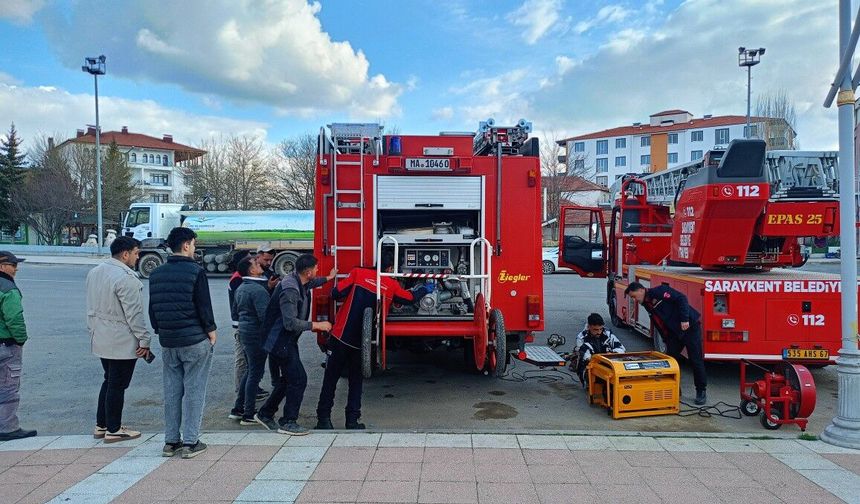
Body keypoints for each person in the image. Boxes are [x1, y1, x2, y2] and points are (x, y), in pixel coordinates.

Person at [315, 255, 432, 430]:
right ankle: (352, 421)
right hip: (363, 344)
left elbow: (335, 294)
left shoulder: (357, 273)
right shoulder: (391, 285)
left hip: (340, 337)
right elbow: (410, 298)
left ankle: (324, 420)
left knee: (330, 380)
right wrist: (425, 288)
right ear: (391, 269)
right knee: (356, 382)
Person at [148, 227, 217, 458]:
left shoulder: (156, 274)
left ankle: (171, 441)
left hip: (168, 341)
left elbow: (153, 310)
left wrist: (161, 331)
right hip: (194, 340)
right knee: (194, 391)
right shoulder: (195, 272)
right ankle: (191, 442)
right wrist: (211, 331)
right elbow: (203, 306)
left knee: (172, 392)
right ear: (186, 245)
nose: (195, 249)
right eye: (194, 245)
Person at [257, 254, 335, 435]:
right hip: (279, 341)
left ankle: (265, 413)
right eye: (316, 269)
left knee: (288, 378)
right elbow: (290, 323)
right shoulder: (290, 290)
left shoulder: (298, 280)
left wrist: (328, 278)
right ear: (308, 272)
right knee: (299, 379)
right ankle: (288, 422)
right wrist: (317, 325)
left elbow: (312, 283)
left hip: (286, 340)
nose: (317, 271)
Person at [86, 236, 152, 443]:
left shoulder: (95, 272)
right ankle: (114, 429)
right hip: (121, 338)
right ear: (125, 254)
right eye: (136, 253)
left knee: (109, 380)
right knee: (118, 384)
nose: (137, 257)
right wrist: (144, 340)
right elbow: (134, 314)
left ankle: (102, 424)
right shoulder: (126, 278)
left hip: (100, 335)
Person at [625, 281, 707, 405]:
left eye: (634, 296)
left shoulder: (659, 291)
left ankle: (701, 391)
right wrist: (665, 338)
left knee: (695, 359)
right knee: (670, 360)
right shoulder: (646, 303)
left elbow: (681, 298)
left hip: (689, 327)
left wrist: (684, 319)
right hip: (674, 332)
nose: (634, 299)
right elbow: (658, 322)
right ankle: (673, 388)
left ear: (641, 290)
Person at [231, 256, 272, 426]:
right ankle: (248, 413)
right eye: (256, 264)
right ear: (251, 271)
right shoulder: (257, 290)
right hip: (256, 335)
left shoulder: (241, 287)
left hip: (245, 333)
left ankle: (238, 408)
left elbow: (236, 311)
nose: (260, 264)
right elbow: (265, 318)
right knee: (255, 373)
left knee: (250, 371)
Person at [0, 251, 36, 441]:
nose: (16, 269)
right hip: (6, 345)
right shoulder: (8, 289)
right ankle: (8, 427)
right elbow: (14, 318)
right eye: (13, 265)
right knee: (8, 387)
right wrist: (20, 339)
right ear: (2, 267)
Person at [572, 313, 625, 386]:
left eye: (601, 329)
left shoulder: (608, 333)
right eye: (596, 330)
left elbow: (621, 348)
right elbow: (587, 358)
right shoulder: (581, 338)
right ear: (589, 327)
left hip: (607, 364)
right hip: (590, 367)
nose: (599, 332)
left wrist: (613, 353)